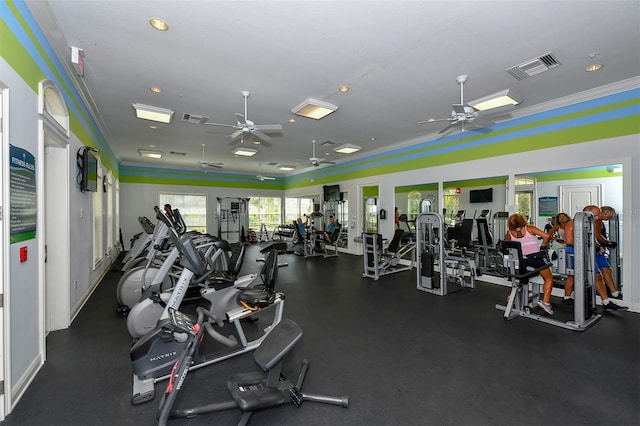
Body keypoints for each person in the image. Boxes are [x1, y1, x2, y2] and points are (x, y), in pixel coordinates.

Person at [562, 206, 627, 311]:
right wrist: (591, 245)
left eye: (598, 215)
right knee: (575, 276)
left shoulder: (591, 223)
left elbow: (593, 237)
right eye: (596, 215)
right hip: (575, 252)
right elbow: (569, 241)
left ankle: (606, 302)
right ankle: (568, 297)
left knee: (598, 276)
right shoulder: (572, 223)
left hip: (587, 250)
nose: (597, 218)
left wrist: (598, 246)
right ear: (587, 213)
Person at [505, 213, 555, 314]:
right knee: (549, 279)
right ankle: (545, 302)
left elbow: (508, 246)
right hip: (536, 258)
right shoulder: (530, 228)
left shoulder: (509, 233)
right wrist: (543, 247)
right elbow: (546, 236)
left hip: (522, 260)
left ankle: (512, 296)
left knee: (522, 277)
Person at [597, 205, 621, 298]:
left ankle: (614, 293)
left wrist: (603, 245)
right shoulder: (596, 222)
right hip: (594, 251)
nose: (610, 218)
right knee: (598, 275)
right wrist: (604, 245)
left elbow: (599, 237)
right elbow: (596, 237)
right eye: (609, 216)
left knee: (607, 270)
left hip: (599, 251)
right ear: (604, 213)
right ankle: (607, 297)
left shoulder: (600, 222)